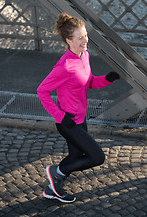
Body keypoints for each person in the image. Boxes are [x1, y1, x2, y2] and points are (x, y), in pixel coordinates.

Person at [37, 12, 120, 203]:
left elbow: (88, 82)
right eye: (80, 37)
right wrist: (59, 115)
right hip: (68, 122)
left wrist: (106, 80)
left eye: (85, 36)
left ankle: (52, 188)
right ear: (68, 40)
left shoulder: (84, 56)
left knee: (76, 156)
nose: (85, 40)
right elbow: (42, 91)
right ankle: (55, 171)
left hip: (81, 118)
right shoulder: (64, 66)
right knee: (97, 157)